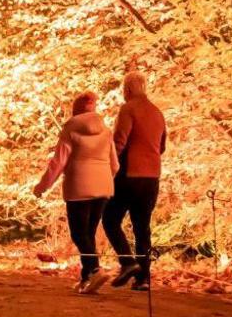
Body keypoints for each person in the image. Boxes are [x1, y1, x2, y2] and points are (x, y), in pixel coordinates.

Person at [33, 91, 118, 294]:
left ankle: (95, 270)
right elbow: (115, 164)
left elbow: (59, 162)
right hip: (103, 188)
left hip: (79, 187)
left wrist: (42, 186)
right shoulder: (106, 131)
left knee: (79, 233)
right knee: (88, 233)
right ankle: (86, 277)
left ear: (76, 109)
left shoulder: (70, 128)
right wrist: (105, 180)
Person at [104, 71, 167, 290]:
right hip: (152, 178)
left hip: (129, 175)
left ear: (128, 89)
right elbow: (162, 147)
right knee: (142, 227)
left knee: (110, 219)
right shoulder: (157, 113)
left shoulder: (128, 108)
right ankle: (144, 279)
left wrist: (108, 165)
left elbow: (119, 142)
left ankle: (127, 262)